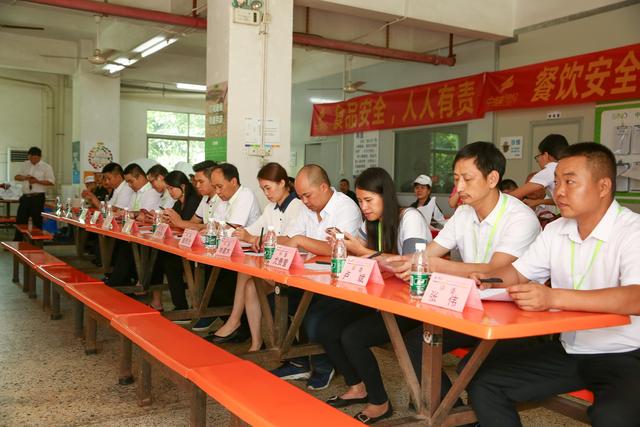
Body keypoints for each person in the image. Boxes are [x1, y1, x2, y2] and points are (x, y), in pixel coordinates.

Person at [467, 142, 640, 427]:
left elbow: (635, 298)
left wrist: (552, 298)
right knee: (486, 384)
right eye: (557, 181)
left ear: (603, 186)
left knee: (613, 417)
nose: (558, 191)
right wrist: (487, 280)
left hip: (624, 354)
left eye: (570, 182)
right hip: (570, 349)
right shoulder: (557, 230)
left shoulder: (632, 231)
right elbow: (519, 272)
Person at [386, 141, 541, 400]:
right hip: (471, 306)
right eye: (456, 179)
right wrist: (395, 263)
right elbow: (430, 253)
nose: (459, 188)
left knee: (473, 369)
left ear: (493, 178)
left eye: (467, 179)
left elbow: (496, 270)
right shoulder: (464, 213)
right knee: (415, 345)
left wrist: (439, 266)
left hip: (515, 315)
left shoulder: (520, 217)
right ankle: (454, 412)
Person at [318, 167, 429, 424]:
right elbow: (367, 261)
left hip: (411, 303)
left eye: (369, 200)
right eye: (360, 201)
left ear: (385, 196)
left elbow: (412, 264)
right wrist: (345, 245)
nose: (364, 207)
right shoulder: (372, 224)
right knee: (326, 327)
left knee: (353, 336)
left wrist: (361, 250)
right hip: (379, 297)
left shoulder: (409, 217)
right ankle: (358, 387)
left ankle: (380, 402)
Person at [271, 164, 362, 390]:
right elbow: (289, 237)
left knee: (313, 318)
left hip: (339, 283)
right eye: (301, 196)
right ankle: (299, 359)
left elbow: (340, 248)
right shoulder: (306, 207)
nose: (304, 201)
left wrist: (301, 240)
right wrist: (268, 240)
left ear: (323, 187)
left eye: (307, 195)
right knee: (275, 301)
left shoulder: (345, 207)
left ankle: (325, 364)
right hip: (310, 278)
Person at [209, 163, 304, 350]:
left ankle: (235, 321)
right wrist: (243, 234)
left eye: (268, 188)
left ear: (283, 183)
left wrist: (251, 237)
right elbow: (254, 230)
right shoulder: (271, 208)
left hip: (293, 268)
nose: (266, 193)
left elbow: (291, 239)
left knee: (247, 274)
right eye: (263, 189)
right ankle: (256, 342)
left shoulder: (297, 206)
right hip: (275, 265)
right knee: (250, 285)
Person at [148, 171, 202, 312]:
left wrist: (176, 222)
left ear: (183, 186)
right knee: (158, 258)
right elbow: (176, 223)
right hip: (181, 245)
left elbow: (187, 225)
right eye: (168, 189)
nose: (170, 192)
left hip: (194, 248)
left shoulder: (194, 201)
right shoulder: (178, 203)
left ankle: (181, 306)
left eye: (172, 188)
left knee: (169, 262)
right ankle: (172, 303)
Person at [510, 134, 569, 211]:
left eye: (538, 156)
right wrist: (538, 202)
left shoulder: (551, 169)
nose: (538, 161)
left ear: (545, 155)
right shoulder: (568, 166)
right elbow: (567, 199)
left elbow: (514, 195)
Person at [13, 146, 54, 240]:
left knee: (37, 221)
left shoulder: (46, 167)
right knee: (20, 220)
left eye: (35, 158)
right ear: (28, 156)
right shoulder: (25, 164)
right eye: (31, 158)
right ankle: (18, 242)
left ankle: (37, 243)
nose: (33, 160)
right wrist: (25, 178)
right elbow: (16, 177)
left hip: (38, 197)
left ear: (40, 157)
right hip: (25, 197)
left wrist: (37, 181)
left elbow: (51, 182)